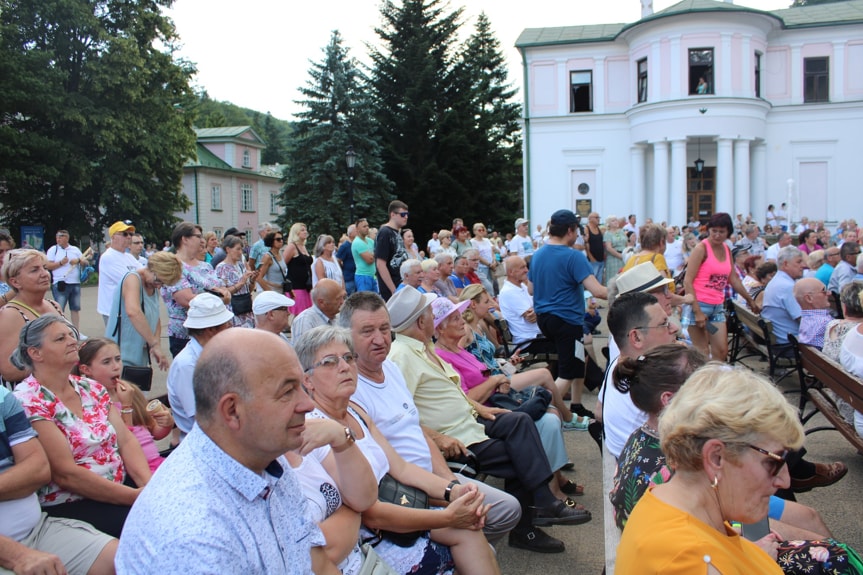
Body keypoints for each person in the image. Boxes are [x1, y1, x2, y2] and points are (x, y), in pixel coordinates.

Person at [386, 287, 591, 554]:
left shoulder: (422, 349)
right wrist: (438, 438)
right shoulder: (401, 355)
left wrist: (479, 408)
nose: (431, 316)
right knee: (520, 454)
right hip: (456, 436)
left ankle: (541, 504)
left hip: (469, 421)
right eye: (428, 312)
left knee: (519, 422)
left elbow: (454, 390)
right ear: (420, 321)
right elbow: (402, 412)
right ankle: (532, 519)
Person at [610, 347, 850, 575]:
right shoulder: (685, 559)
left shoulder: (672, 506)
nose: (786, 480)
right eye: (774, 462)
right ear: (716, 457)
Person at [116, 329, 336, 573]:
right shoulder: (194, 538)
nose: (308, 404)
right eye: (287, 392)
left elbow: (316, 563)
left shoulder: (261, 456)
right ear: (232, 411)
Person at [295, 325, 501, 575]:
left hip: (397, 507)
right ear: (307, 380)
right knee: (469, 531)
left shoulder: (355, 412)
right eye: (329, 362)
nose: (344, 366)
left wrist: (453, 490)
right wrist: (448, 517)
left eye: (348, 358)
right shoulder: (317, 430)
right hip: (374, 538)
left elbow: (401, 468)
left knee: (471, 527)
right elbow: (370, 512)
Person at [338, 292, 522, 550]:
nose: (379, 339)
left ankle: (457, 548)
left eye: (383, 328)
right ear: (347, 336)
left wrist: (450, 483)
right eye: (367, 331)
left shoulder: (390, 369)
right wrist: (446, 496)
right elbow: (386, 469)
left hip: (436, 475)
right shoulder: (351, 389)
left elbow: (418, 431)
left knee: (508, 509)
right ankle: (453, 549)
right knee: (480, 536)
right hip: (402, 492)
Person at [12, 316, 151, 538]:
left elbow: (125, 440)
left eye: (71, 335)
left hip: (122, 487)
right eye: (60, 338)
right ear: (35, 353)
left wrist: (148, 485)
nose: (71, 341)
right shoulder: (28, 400)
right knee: (152, 530)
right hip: (74, 502)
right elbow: (66, 474)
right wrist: (136, 497)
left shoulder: (90, 387)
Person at [0, 386, 117, 575]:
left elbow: (37, 470)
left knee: (123, 561)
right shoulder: (30, 396)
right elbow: (65, 475)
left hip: (37, 530)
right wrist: (17, 555)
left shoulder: (2, 398)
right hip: (13, 547)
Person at [528, 209, 607, 419]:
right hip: (566, 321)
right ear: (570, 230)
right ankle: (538, 410)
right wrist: (626, 291)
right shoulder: (574, 256)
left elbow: (530, 289)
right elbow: (598, 290)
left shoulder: (537, 255)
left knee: (578, 362)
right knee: (567, 372)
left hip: (545, 319)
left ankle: (576, 404)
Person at [683, 212, 758, 360]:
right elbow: (688, 281)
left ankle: (715, 379)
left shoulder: (726, 249)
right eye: (714, 231)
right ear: (709, 230)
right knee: (702, 351)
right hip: (698, 304)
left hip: (717, 305)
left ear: (728, 233)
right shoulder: (701, 249)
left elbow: (733, 278)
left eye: (721, 232)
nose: (717, 235)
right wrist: (697, 311)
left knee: (722, 351)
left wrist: (749, 300)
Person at [166, 293, 234, 440]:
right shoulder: (187, 365)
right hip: (206, 441)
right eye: (227, 324)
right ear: (211, 330)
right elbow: (202, 420)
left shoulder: (216, 352)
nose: (230, 327)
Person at [160, 222, 229, 358]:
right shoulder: (173, 266)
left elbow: (223, 289)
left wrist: (220, 294)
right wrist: (219, 297)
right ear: (184, 239)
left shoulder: (205, 266)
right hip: (186, 335)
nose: (202, 240)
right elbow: (185, 299)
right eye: (198, 236)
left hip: (213, 330)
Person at [106, 251, 180, 369]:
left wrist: (156, 344)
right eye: (159, 280)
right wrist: (154, 343)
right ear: (152, 269)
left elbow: (155, 318)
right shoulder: (132, 279)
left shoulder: (153, 286)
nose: (159, 286)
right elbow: (133, 312)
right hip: (121, 354)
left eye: (163, 284)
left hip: (139, 352)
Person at [0, 250, 64, 386]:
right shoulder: (10, 314)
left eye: (45, 268)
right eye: (34, 270)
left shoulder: (54, 305)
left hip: (60, 389)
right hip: (32, 397)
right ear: (15, 282)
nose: (44, 274)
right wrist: (58, 359)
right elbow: (9, 370)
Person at [97, 221, 144, 324]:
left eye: (130, 234)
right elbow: (129, 281)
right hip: (113, 311)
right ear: (113, 237)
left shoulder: (129, 257)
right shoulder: (108, 257)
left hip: (126, 309)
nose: (129, 237)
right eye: (124, 234)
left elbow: (143, 273)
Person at [762, 246, 806, 347]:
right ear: (786, 264)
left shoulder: (777, 280)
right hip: (788, 344)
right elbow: (802, 320)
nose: (803, 265)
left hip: (780, 339)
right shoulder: (787, 287)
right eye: (799, 262)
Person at [46, 230, 87, 330]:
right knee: (59, 309)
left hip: (75, 283)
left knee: (75, 308)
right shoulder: (53, 250)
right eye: (57, 237)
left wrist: (79, 261)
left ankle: (76, 330)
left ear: (67, 238)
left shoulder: (75, 249)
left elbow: (85, 261)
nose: (58, 239)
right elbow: (48, 265)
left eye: (61, 236)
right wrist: (60, 263)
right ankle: (61, 330)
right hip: (61, 283)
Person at [215, 235, 257, 328]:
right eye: (237, 249)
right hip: (233, 311)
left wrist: (252, 281)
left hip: (246, 309)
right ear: (228, 249)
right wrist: (241, 283)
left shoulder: (241, 265)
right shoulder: (221, 268)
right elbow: (223, 293)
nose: (240, 252)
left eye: (241, 249)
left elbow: (248, 290)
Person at [375, 200, 410, 300]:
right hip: (392, 288)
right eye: (403, 214)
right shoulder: (385, 232)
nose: (406, 217)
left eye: (407, 214)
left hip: (401, 283)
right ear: (393, 214)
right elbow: (380, 264)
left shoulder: (396, 232)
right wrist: (394, 290)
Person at [283, 222, 314, 315]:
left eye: (306, 230)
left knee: (306, 312)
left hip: (306, 286)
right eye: (302, 230)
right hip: (296, 286)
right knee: (299, 313)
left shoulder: (303, 246)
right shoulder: (292, 247)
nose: (305, 232)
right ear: (296, 233)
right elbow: (283, 264)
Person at [795, 277, 833, 348]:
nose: (829, 293)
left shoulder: (806, 319)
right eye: (824, 290)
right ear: (809, 298)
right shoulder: (825, 323)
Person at [351, 218, 378, 294]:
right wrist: (375, 254)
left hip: (372, 275)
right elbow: (369, 260)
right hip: (363, 276)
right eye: (364, 226)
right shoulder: (357, 242)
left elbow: (376, 254)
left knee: (375, 301)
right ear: (357, 229)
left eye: (367, 226)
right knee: (365, 302)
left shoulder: (370, 241)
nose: (367, 228)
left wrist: (374, 254)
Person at [470, 223, 497, 296]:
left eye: (483, 230)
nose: (481, 231)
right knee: (486, 286)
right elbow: (477, 255)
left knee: (492, 284)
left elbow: (492, 251)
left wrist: (494, 261)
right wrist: (489, 264)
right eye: (479, 230)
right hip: (482, 267)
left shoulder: (487, 240)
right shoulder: (473, 242)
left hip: (491, 267)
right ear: (475, 231)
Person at [584, 212, 606, 283]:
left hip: (601, 259)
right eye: (596, 217)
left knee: (599, 281)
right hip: (593, 260)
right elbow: (585, 244)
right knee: (593, 280)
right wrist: (591, 257)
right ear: (590, 219)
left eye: (599, 217)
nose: (598, 219)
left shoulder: (599, 229)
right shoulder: (586, 229)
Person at [336, 224, 357, 295]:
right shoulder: (345, 246)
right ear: (350, 234)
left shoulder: (358, 244)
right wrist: (342, 268)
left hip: (357, 277)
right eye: (356, 230)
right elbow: (338, 260)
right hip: (349, 278)